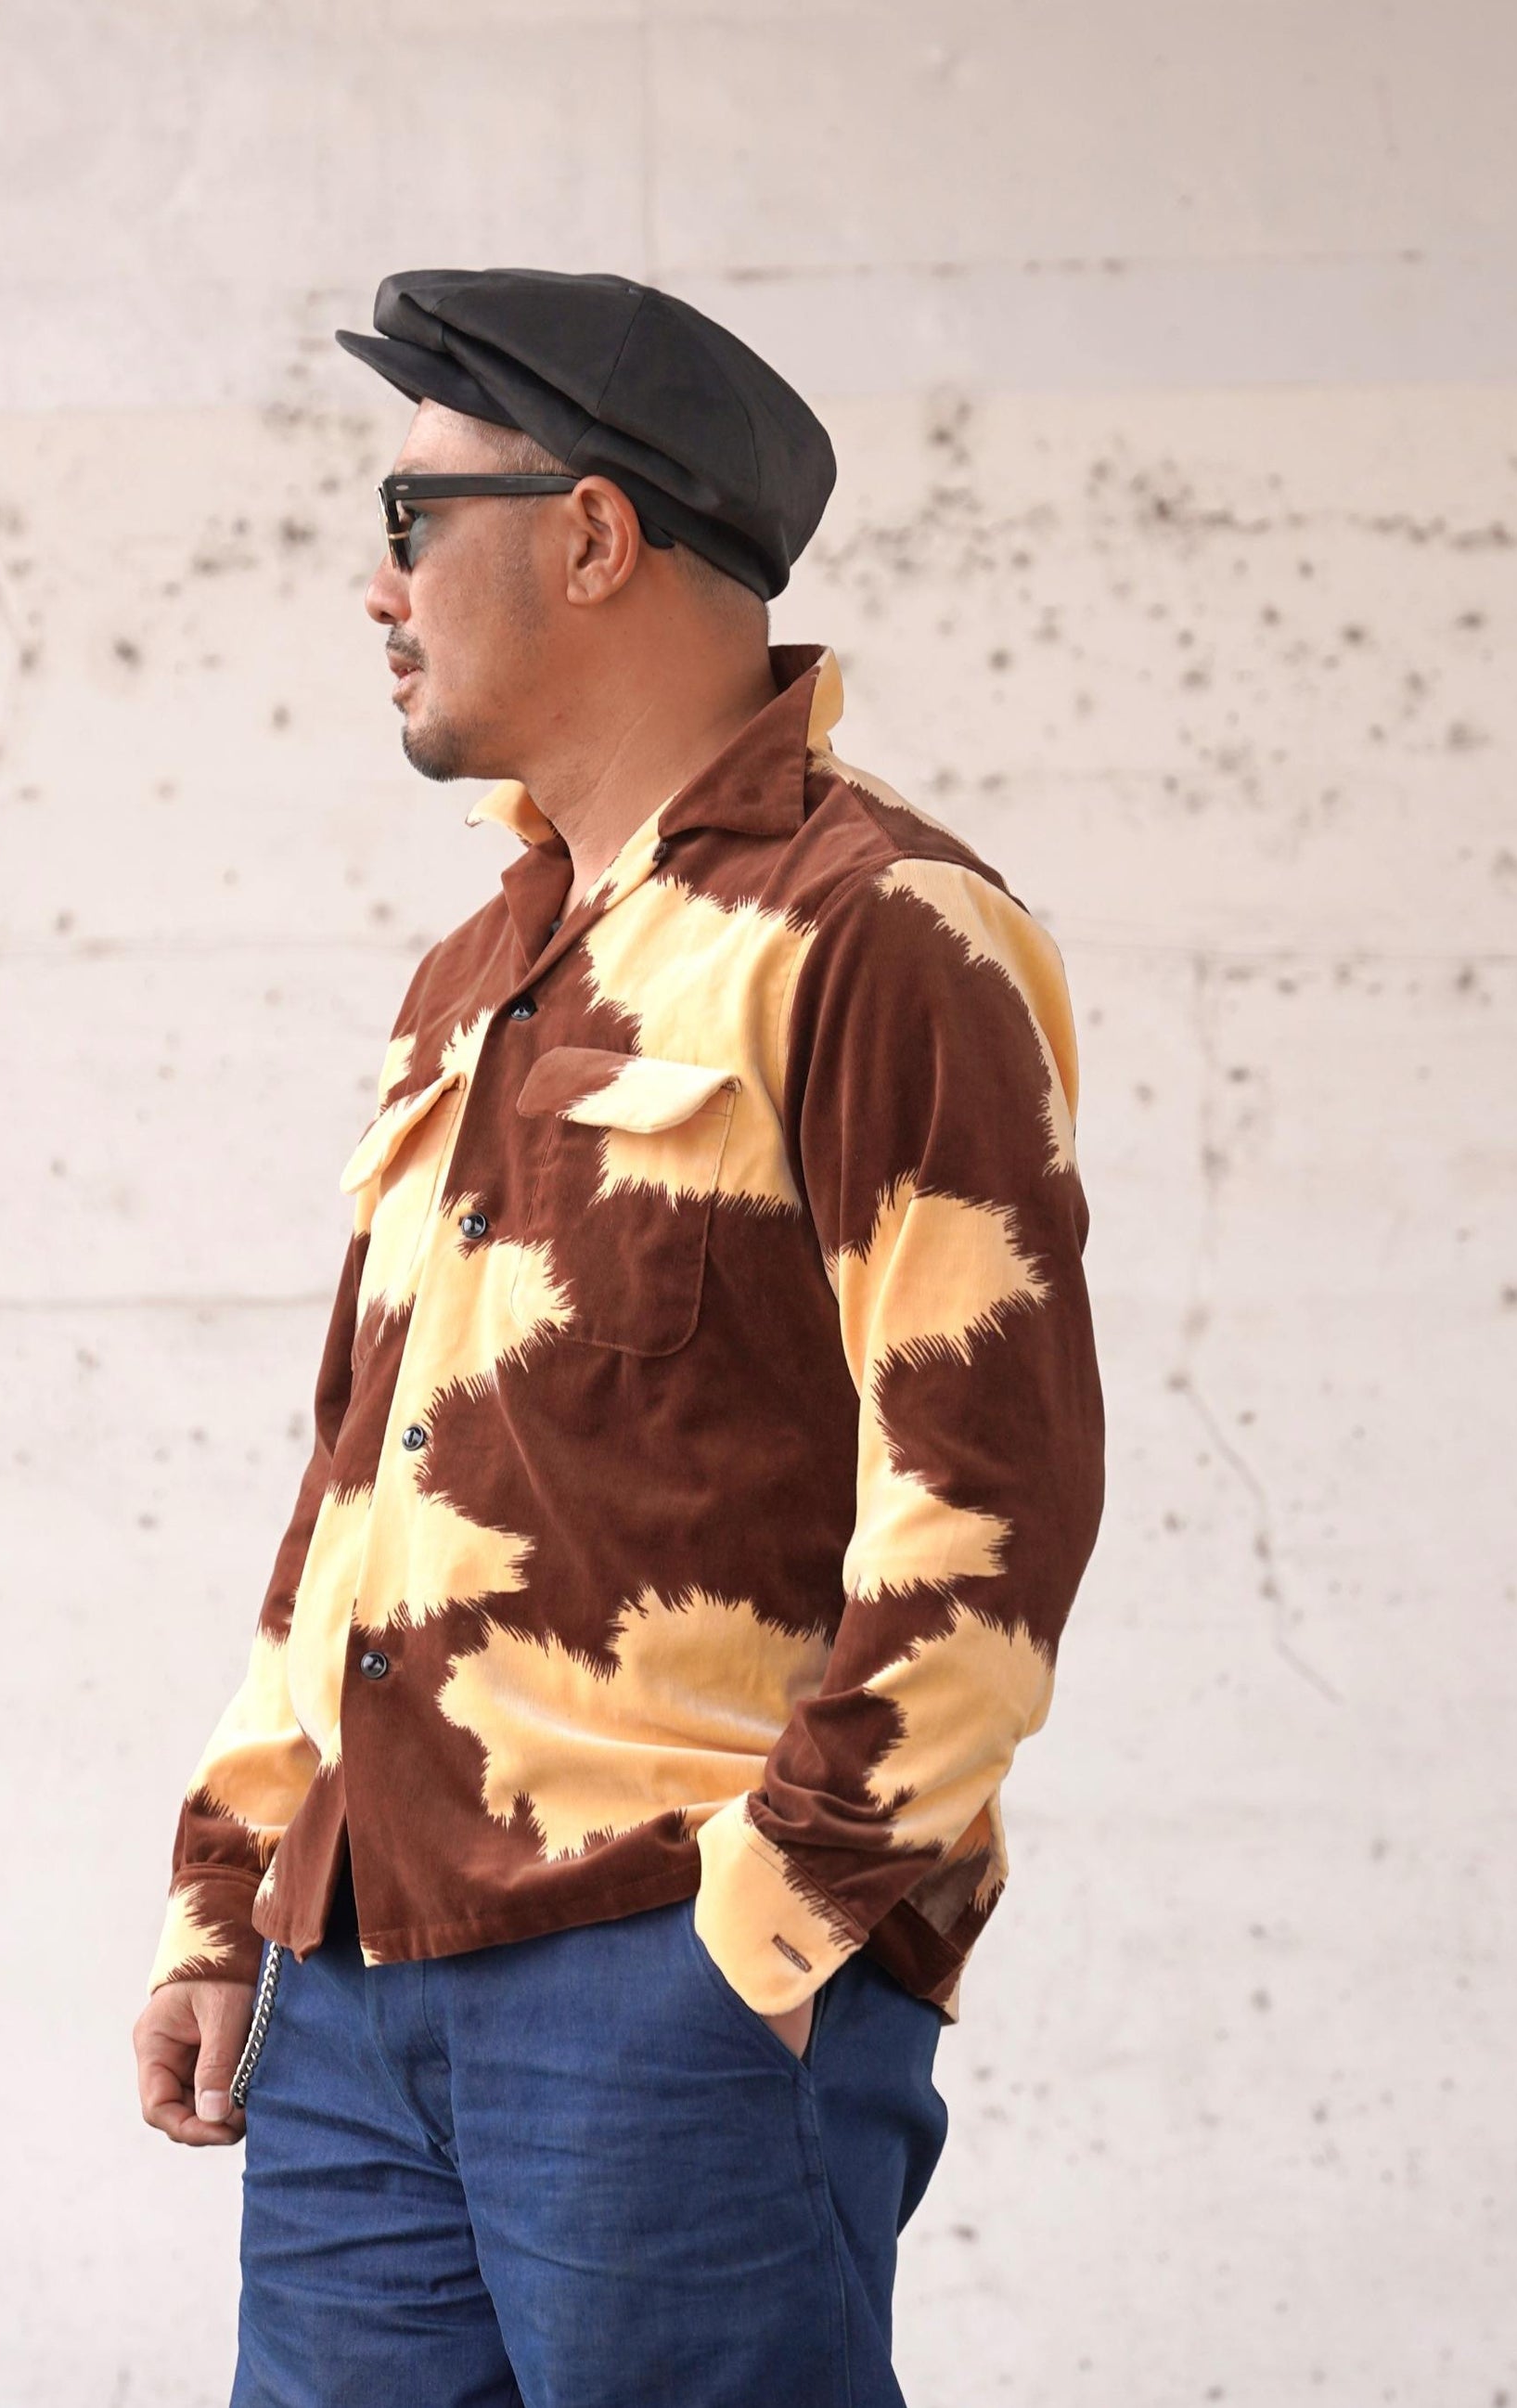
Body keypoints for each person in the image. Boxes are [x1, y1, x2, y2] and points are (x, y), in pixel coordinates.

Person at [132, 266, 1106, 2408]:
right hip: (355, 1978)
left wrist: (770, 1927)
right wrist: (233, 1883)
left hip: (661, 1986)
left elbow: (991, 1497)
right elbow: (359, 1486)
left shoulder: (877, 933)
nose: (375, 584)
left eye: (412, 518)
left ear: (590, 536)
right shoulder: (476, 971)